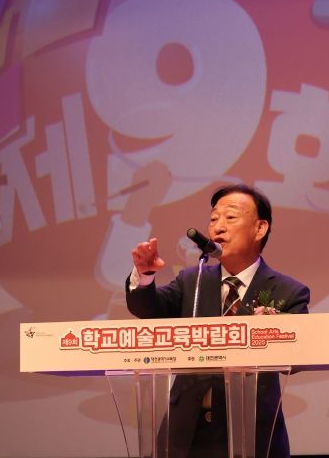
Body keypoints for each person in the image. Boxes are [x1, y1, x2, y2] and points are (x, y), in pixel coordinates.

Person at [126, 184, 310, 458]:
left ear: (260, 228)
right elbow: (147, 308)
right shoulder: (192, 281)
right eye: (213, 219)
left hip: (251, 434)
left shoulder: (288, 291)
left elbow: (300, 357)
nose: (218, 227)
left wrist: (275, 329)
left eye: (230, 217)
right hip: (184, 435)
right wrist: (145, 276)